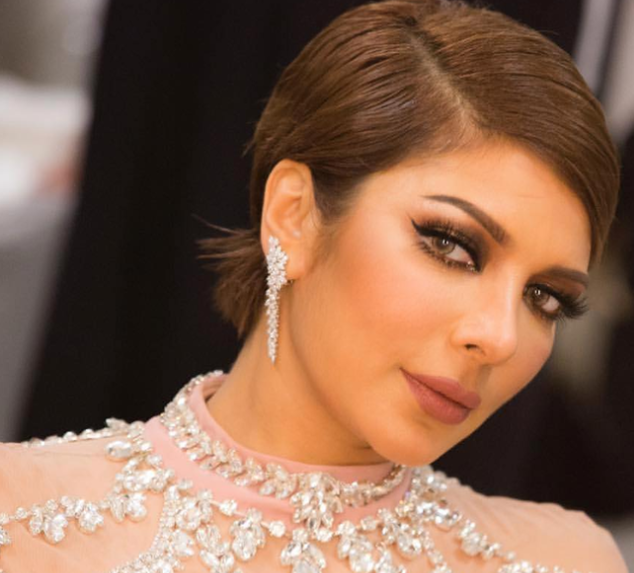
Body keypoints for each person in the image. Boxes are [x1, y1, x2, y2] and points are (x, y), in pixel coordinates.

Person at [0, 0, 627, 571]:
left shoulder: (565, 559)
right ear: (293, 216)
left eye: (545, 298)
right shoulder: (20, 519)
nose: (499, 337)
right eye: (451, 246)